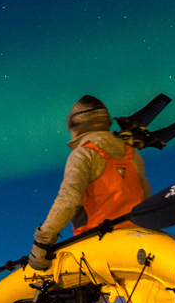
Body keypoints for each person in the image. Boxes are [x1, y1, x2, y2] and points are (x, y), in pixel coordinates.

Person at [28, 95, 152, 270]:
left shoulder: (84, 154)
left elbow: (67, 201)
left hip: (97, 247)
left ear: (79, 126)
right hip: (135, 244)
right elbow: (145, 195)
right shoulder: (133, 155)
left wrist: (41, 244)